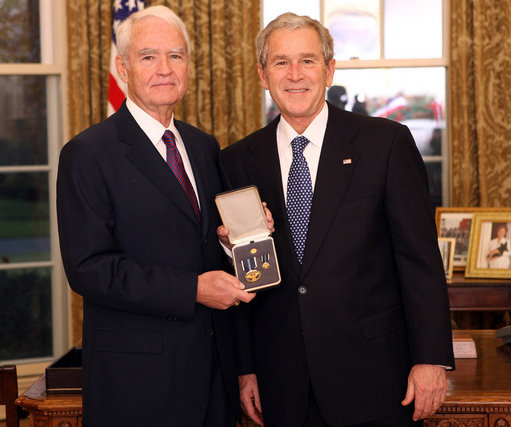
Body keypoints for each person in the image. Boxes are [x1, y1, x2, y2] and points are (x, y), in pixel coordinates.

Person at [219, 12, 454, 427]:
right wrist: (244, 368)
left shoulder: (386, 144)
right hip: (280, 383)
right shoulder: (237, 160)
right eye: (280, 62)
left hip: (376, 380)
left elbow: (420, 263)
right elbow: (242, 279)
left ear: (329, 70)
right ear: (261, 73)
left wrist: (431, 359)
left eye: (308, 60)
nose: (295, 75)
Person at [56, 6, 258, 426]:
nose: (164, 68)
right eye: (149, 56)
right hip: (138, 386)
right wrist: (192, 290)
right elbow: (89, 270)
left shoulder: (204, 148)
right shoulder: (88, 153)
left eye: (176, 55)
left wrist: (232, 238)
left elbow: (203, 243)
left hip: (213, 380)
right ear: (123, 67)